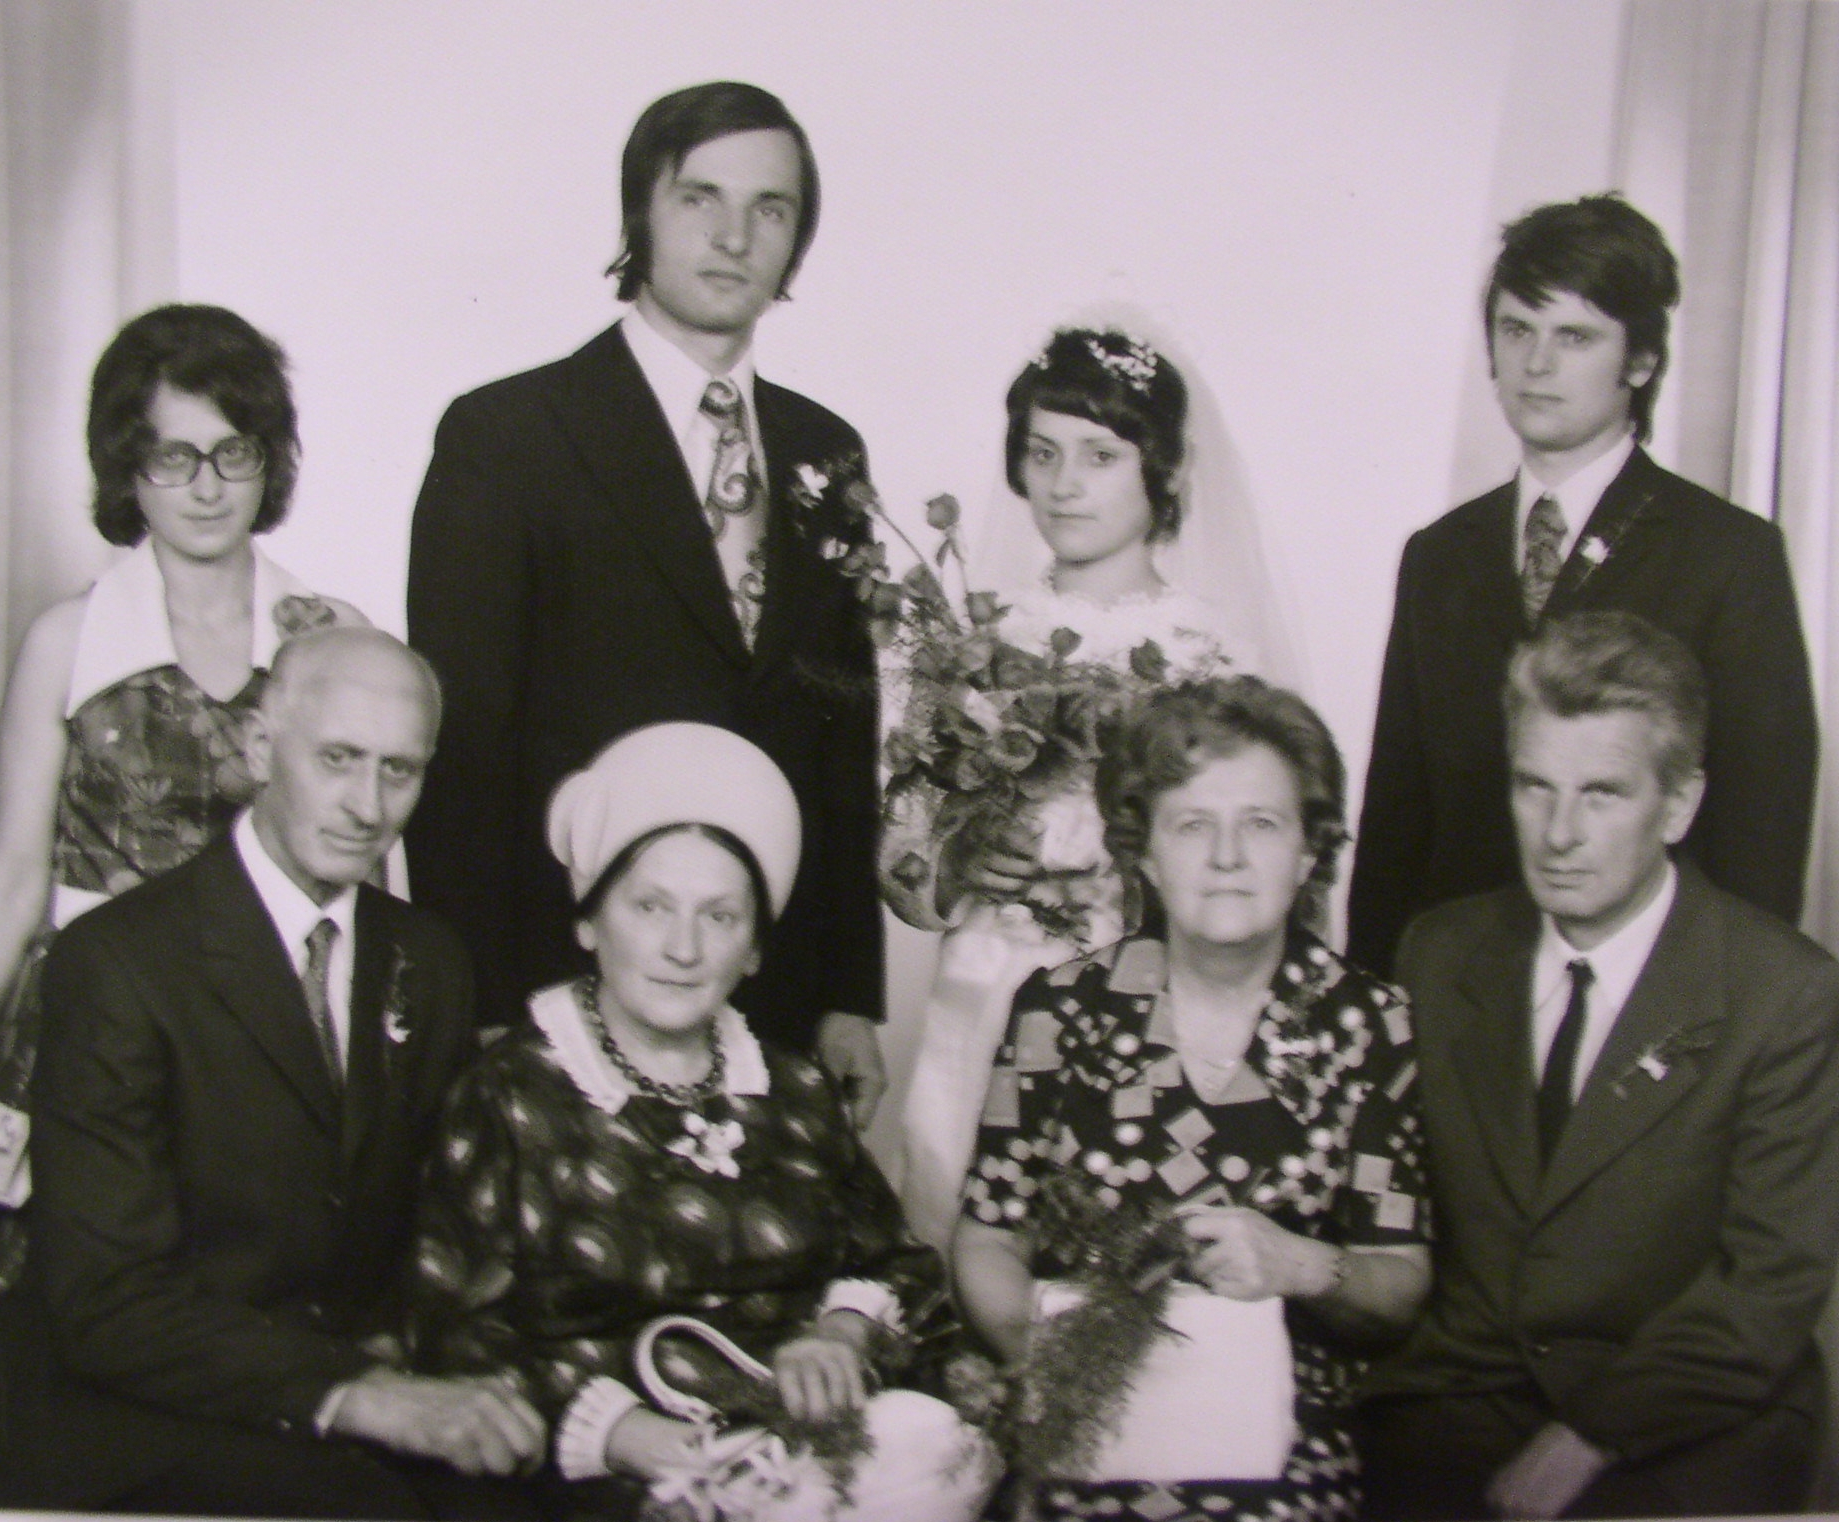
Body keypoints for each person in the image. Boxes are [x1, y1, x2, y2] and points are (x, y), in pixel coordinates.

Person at [0, 304, 360, 1423]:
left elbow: (371, 890)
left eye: (232, 451)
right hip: (84, 1045)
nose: (205, 484)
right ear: (125, 469)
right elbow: (12, 876)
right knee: (72, 1379)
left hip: (260, 1045)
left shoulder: (329, 636)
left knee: (241, 1369)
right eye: (171, 455)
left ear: (267, 460)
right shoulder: (68, 639)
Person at [0, 628, 551, 1517]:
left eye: (398, 771)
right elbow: (108, 1302)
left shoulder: (432, 961)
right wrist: (355, 1396)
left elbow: (442, 1236)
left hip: (353, 1384)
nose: (366, 805)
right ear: (258, 748)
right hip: (148, 1409)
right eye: (337, 759)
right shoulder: (116, 961)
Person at [405, 81, 885, 1122]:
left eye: (771, 208)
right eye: (697, 198)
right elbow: (462, 754)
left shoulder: (824, 450)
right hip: (559, 993)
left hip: (781, 996)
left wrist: (852, 991)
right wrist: (482, 1003)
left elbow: (846, 742)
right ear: (639, 213)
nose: (732, 235)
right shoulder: (508, 437)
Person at [1357, 611, 1839, 1520]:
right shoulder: (1436, 955)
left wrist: (1591, 1435)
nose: (1557, 833)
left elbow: (1768, 1291)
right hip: (1463, 1399)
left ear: (1677, 804)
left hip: (1691, 1419)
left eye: (1601, 794)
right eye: (1532, 787)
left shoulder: (1787, 995)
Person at [399, 722, 954, 1518]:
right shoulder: (511, 1092)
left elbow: (903, 1266)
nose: (682, 948)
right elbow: (443, 1329)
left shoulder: (793, 1088)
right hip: (611, 1480)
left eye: (720, 917)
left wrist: (840, 1331)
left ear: (755, 950)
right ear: (589, 923)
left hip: (800, 1454)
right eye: (651, 906)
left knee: (926, 1441)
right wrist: (619, 1430)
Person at [953, 677, 1432, 1522]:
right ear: (1141, 852)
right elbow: (988, 1233)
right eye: (1190, 825)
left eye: (1261, 824)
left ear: (1310, 850)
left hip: (1280, 1436)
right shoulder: (1057, 1010)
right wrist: (1058, 1364)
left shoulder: (1370, 1025)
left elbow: (1399, 1281)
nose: (1225, 857)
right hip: (1086, 1414)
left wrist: (1299, 1264)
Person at [1347, 193, 1818, 978]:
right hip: (1458, 998)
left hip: (1643, 1008)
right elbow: (1398, 818)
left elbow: (1760, 837)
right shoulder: (1437, 555)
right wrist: (1371, 1008)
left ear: (1638, 359)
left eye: (1574, 337)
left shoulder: (1729, 555)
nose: (1536, 364)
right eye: (1515, 330)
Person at [884, 327, 1276, 1249]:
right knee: (958, 1216)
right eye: (1043, 453)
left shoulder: (1209, 656)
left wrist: (1124, 871)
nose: (1064, 484)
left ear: (1166, 471)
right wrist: (960, 858)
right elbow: (899, 867)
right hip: (983, 984)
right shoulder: (973, 640)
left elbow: (1249, 874)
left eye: (1101, 456)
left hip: (1141, 995)